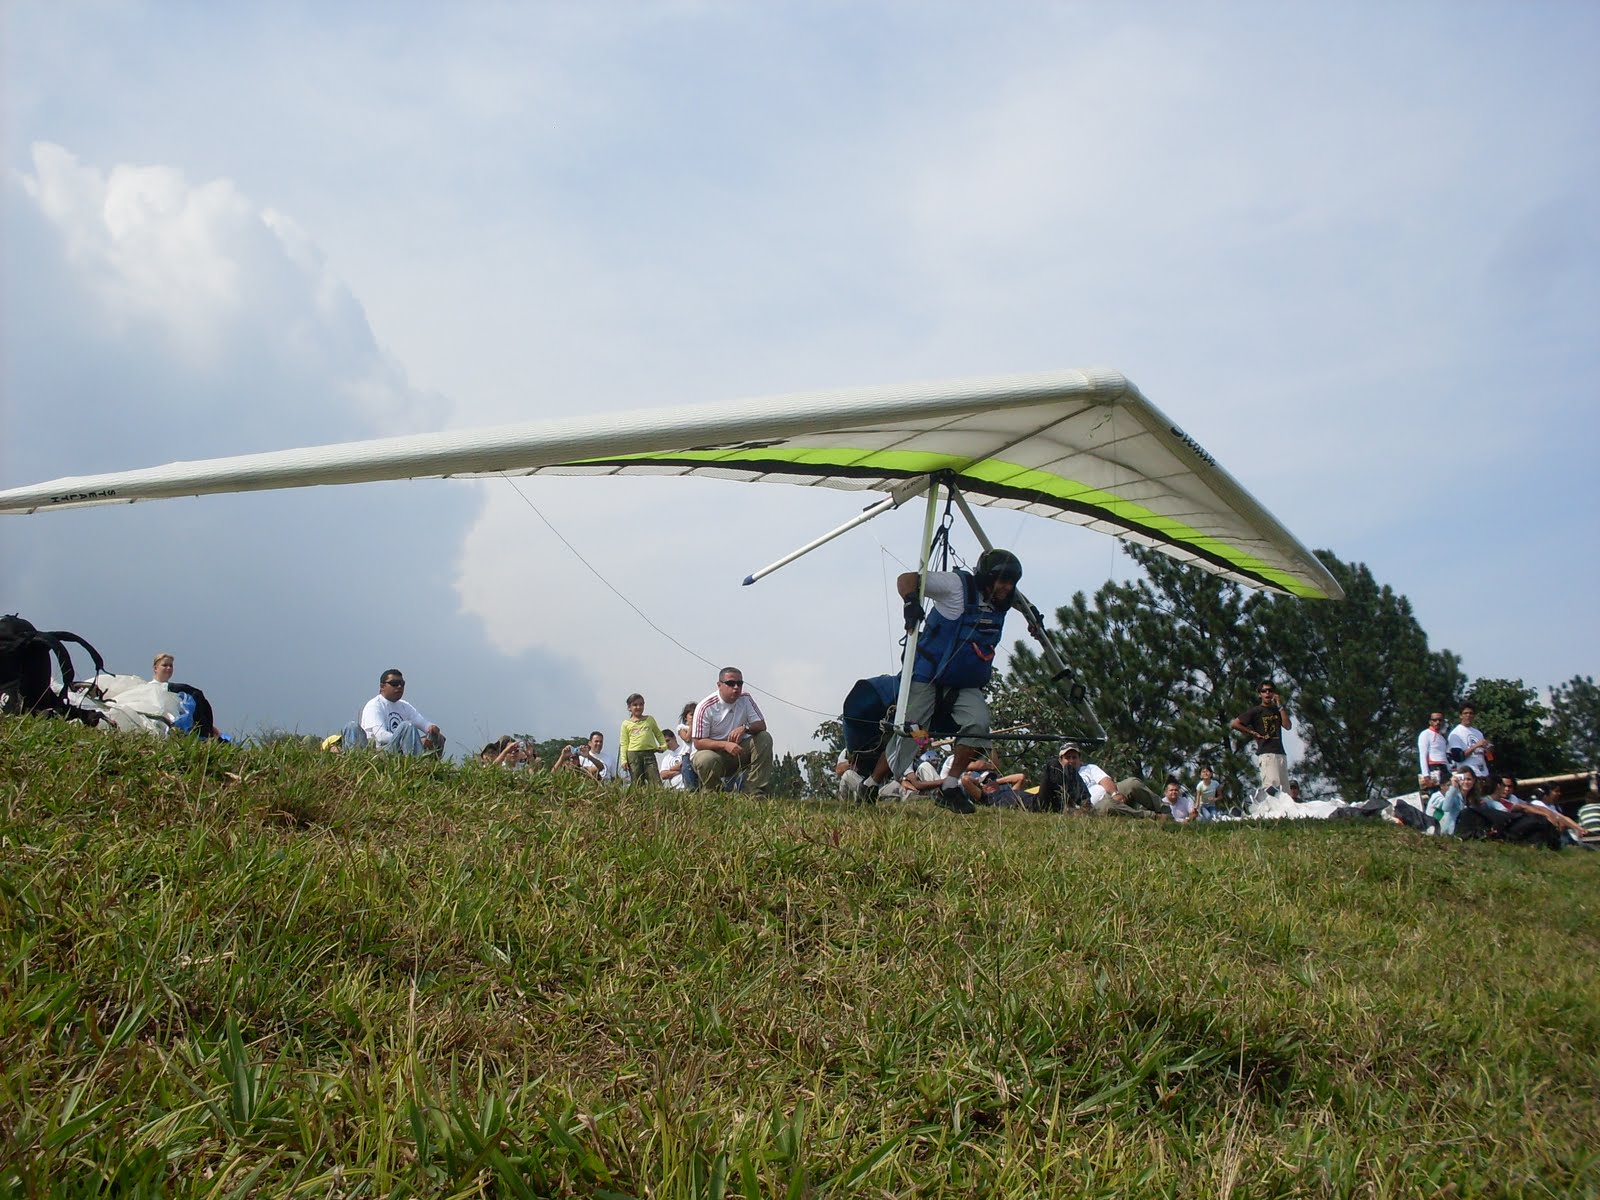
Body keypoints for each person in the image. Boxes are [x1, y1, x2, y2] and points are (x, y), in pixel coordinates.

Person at [882, 548, 1043, 790]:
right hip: (928, 674)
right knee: (911, 730)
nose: (1007, 588)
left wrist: (1033, 615)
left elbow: (1020, 601)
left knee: (979, 724)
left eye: (1012, 583)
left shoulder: (1004, 597)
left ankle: (950, 784)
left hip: (964, 681)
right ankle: (875, 782)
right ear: (987, 579)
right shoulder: (956, 586)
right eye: (1002, 582)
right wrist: (911, 601)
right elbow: (906, 579)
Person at [690, 667, 774, 795]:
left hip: (737, 752)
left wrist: (745, 728)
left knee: (764, 738)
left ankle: (755, 791)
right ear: (719, 685)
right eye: (730, 683)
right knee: (706, 759)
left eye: (739, 683)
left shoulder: (745, 699)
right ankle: (714, 793)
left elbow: (761, 725)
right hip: (713, 754)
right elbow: (698, 742)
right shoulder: (706, 707)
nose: (736, 687)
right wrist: (725, 745)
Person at [348, 669, 445, 756]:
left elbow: (423, 723)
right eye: (394, 683)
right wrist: (414, 740)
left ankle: (429, 765)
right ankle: (415, 763)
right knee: (407, 726)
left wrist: (431, 728)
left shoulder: (404, 705)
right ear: (382, 686)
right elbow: (381, 736)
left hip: (401, 748)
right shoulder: (374, 705)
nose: (399, 687)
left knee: (438, 737)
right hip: (381, 751)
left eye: (402, 684)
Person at [1231, 681, 1293, 792]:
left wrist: (1280, 705)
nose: (1267, 693)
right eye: (1264, 691)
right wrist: (1252, 732)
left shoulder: (1277, 711)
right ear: (1260, 694)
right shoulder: (1256, 711)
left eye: (1270, 690)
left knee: (1285, 791)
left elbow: (1287, 726)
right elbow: (1235, 723)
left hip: (1280, 753)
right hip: (1267, 753)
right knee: (1272, 788)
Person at [618, 693, 667, 787]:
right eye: (635, 705)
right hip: (633, 755)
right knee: (637, 782)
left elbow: (659, 734)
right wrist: (623, 760)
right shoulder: (626, 724)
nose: (638, 707)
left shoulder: (650, 720)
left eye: (641, 704)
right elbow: (624, 743)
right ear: (629, 708)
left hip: (649, 753)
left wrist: (663, 746)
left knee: (655, 780)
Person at [1448, 704, 1492, 781]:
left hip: (1483, 773)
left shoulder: (1478, 733)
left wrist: (1488, 749)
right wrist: (1476, 746)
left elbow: (1487, 756)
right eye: (1465, 713)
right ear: (1460, 716)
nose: (1468, 715)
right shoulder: (1455, 733)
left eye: (1471, 713)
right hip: (1468, 776)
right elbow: (1458, 757)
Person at [1417, 711, 1451, 788]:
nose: (1437, 722)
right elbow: (1423, 755)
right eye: (1435, 720)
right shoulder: (1425, 734)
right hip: (1433, 767)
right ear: (1430, 722)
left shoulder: (1442, 737)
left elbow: (1444, 756)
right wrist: (1426, 775)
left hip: (1444, 768)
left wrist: (1449, 770)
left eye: (1440, 720)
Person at [677, 702, 701, 791]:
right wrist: (691, 725)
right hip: (687, 754)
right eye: (691, 715)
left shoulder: (701, 727)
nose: (694, 717)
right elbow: (687, 738)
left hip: (698, 753)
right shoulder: (682, 727)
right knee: (688, 773)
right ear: (685, 717)